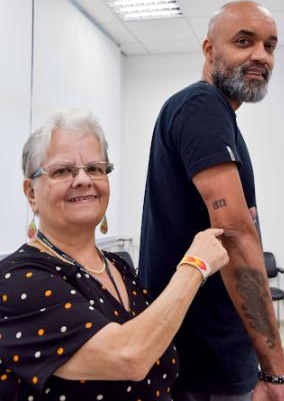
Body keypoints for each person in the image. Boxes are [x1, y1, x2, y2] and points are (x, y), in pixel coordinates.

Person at [0, 110, 228, 401]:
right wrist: (195, 265)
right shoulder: (15, 282)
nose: (83, 179)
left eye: (95, 168)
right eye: (62, 171)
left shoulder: (118, 267)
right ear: (31, 193)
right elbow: (129, 356)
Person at [139, 0, 284, 401]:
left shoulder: (214, 116)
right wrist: (277, 374)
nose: (261, 55)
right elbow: (236, 236)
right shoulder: (201, 106)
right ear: (209, 50)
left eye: (270, 46)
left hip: (211, 359)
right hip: (204, 366)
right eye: (244, 41)